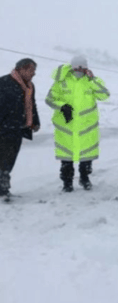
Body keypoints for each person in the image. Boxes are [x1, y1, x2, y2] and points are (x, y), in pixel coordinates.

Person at [45, 55, 109, 192]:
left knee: (86, 157)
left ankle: (84, 179)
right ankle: (67, 183)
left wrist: (93, 80)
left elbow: (104, 95)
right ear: (72, 67)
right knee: (66, 158)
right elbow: (49, 99)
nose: (79, 70)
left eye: (83, 68)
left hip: (87, 127)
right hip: (66, 127)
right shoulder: (61, 82)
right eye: (77, 67)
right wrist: (62, 106)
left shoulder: (91, 81)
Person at [0, 58, 41, 199]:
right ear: (20, 69)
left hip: (18, 128)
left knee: (9, 159)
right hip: (4, 128)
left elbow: (31, 104)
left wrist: (35, 122)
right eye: (31, 70)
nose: (34, 73)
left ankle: (3, 189)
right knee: (3, 160)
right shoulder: (4, 83)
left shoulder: (30, 86)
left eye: (34, 70)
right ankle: (3, 190)